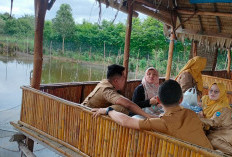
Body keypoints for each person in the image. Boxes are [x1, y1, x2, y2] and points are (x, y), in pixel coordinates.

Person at [92, 80, 213, 149]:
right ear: (181, 99)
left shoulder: (164, 122)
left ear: (158, 100)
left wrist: (108, 110)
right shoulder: (191, 113)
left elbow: (125, 121)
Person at [82, 64, 152, 118]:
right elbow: (128, 104)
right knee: (123, 108)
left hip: (89, 111)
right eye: (123, 78)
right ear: (116, 81)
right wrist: (149, 116)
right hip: (87, 114)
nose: (125, 81)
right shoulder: (107, 90)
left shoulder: (105, 82)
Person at [199, 83, 232, 155]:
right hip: (214, 130)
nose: (212, 93)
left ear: (222, 93)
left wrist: (198, 118)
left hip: (225, 131)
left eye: (216, 91)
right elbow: (201, 105)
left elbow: (213, 122)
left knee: (211, 140)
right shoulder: (207, 100)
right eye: (211, 90)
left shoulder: (223, 108)